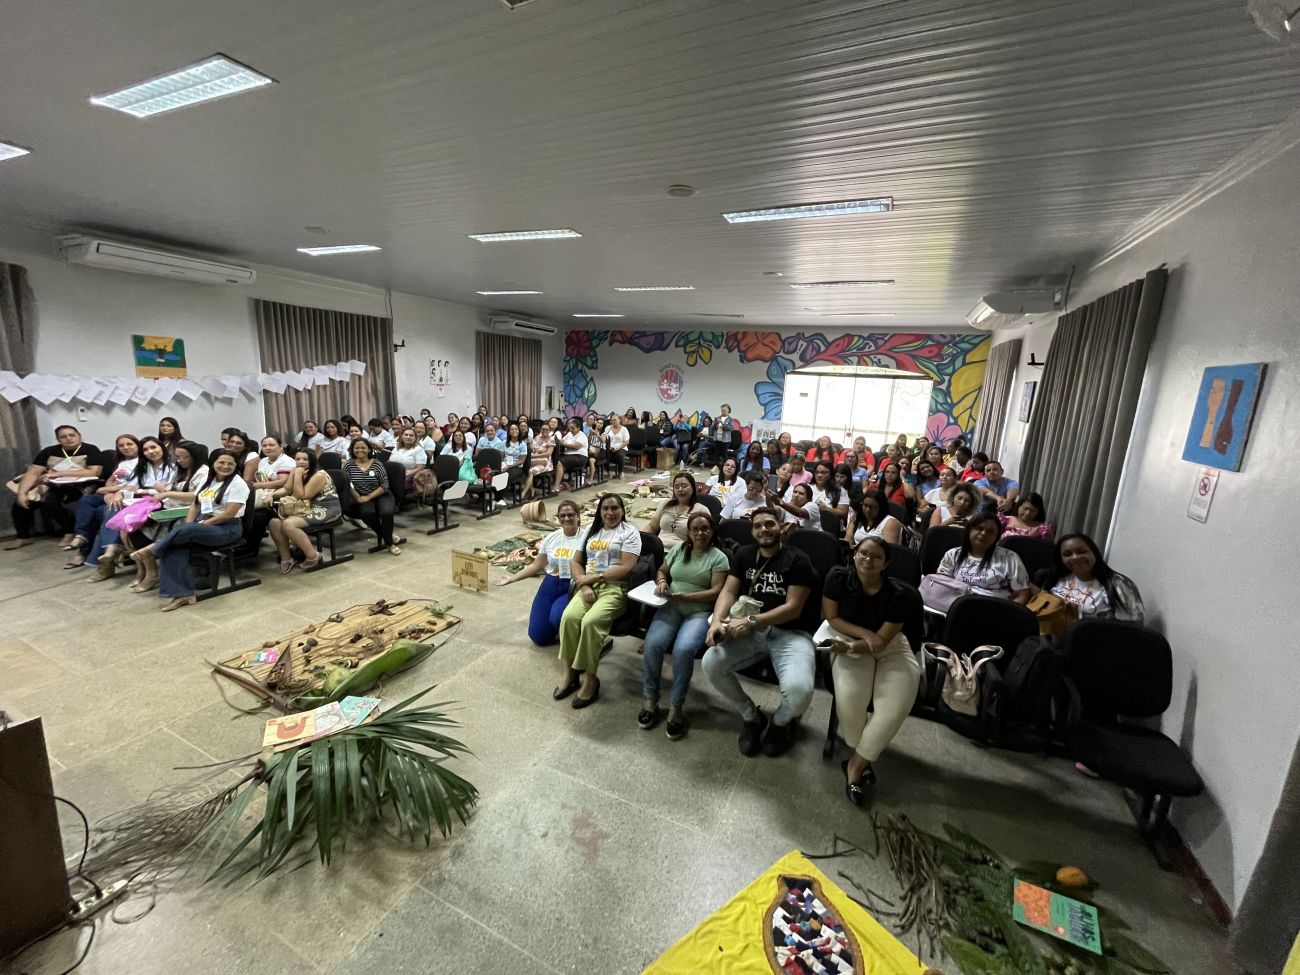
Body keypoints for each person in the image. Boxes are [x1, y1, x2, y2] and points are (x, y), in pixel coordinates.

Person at [702, 508, 817, 756]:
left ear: (781, 527)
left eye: (769, 524)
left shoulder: (798, 560)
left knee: (800, 692)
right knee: (711, 663)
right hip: (753, 632)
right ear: (752, 531)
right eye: (757, 526)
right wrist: (717, 621)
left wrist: (751, 621)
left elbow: (793, 608)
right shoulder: (744, 554)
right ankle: (752, 716)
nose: (763, 529)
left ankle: (780, 722)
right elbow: (729, 591)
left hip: (792, 633)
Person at [825, 537, 921, 805]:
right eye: (863, 553)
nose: (868, 559)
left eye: (876, 556)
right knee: (850, 704)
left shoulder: (899, 595)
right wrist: (862, 636)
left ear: (886, 563)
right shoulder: (837, 577)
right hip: (850, 641)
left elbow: (882, 641)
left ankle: (856, 766)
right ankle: (864, 753)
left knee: (894, 708)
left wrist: (860, 643)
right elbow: (833, 618)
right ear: (854, 554)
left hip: (892, 648)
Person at [640, 513, 729, 739]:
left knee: (683, 650)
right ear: (688, 532)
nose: (700, 533)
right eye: (695, 529)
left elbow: (717, 592)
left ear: (712, 531)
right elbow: (662, 570)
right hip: (672, 606)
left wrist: (688, 597)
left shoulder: (718, 558)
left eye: (705, 529)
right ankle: (650, 698)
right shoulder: (680, 549)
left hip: (700, 611)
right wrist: (662, 581)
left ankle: (676, 707)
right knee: (652, 644)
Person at [129, 449, 251, 612]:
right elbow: (195, 504)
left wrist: (201, 525)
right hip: (203, 523)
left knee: (186, 531)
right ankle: (183, 594)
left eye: (230, 464)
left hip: (227, 528)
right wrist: (189, 524)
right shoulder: (208, 480)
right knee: (173, 547)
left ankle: (153, 549)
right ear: (213, 463)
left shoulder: (238, 484)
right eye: (221, 462)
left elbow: (229, 514)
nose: (225, 466)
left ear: (236, 466)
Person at [555, 494, 642, 708]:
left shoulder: (630, 532)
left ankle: (591, 679)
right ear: (599, 512)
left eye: (614, 508)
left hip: (615, 588)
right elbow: (575, 562)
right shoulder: (590, 532)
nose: (610, 513)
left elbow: (627, 567)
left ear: (622, 510)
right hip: (588, 586)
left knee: (590, 622)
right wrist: (584, 585)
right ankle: (571, 674)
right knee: (568, 617)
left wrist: (594, 578)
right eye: (605, 509)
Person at [85, 436, 176, 584]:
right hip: (140, 500)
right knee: (113, 510)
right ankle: (116, 555)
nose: (150, 451)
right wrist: (119, 493)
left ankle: (110, 554)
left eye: (153, 447)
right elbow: (130, 486)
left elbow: (167, 490)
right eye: (146, 449)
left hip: (161, 502)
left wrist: (142, 491)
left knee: (119, 521)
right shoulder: (143, 465)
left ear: (162, 447)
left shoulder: (172, 465)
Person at [497, 499, 583, 645]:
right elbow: (537, 565)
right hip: (551, 582)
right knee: (539, 637)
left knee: (557, 616)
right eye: (562, 515)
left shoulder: (586, 537)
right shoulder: (552, 537)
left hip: (572, 584)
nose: (566, 518)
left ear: (578, 516)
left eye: (570, 515)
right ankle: (557, 627)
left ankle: (576, 632)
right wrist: (512, 579)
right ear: (558, 518)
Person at [6, 425, 103, 550]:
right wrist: (22, 493)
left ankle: (69, 531)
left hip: (80, 485)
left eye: (72, 435)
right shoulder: (49, 452)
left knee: (51, 500)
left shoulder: (90, 449)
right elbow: (33, 472)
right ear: (58, 439)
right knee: (20, 503)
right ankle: (23, 537)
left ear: (79, 436)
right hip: (54, 484)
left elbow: (93, 472)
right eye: (63, 437)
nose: (68, 438)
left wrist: (59, 473)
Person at [64, 434, 141, 566]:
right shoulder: (122, 463)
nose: (125, 447)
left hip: (127, 495)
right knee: (86, 501)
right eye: (121, 445)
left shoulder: (142, 462)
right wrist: (108, 491)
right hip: (113, 493)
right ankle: (81, 536)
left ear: (137, 445)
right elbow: (110, 480)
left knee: (102, 511)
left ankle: (101, 551)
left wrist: (111, 490)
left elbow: (135, 485)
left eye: (129, 444)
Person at [1038, 534, 1144, 623]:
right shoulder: (1057, 577)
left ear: (1094, 553)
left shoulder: (1118, 585)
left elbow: (1132, 630)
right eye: (1067, 554)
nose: (1075, 557)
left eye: (1081, 552)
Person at [267, 449, 343, 572]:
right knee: (274, 523)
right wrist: (272, 494)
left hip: (326, 508)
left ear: (312, 460)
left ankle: (312, 556)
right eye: (297, 459)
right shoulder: (296, 470)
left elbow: (302, 496)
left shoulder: (319, 475)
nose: (301, 462)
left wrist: (297, 475)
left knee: (288, 524)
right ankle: (287, 558)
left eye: (305, 459)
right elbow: (287, 489)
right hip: (305, 506)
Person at [936, 512, 1031, 603]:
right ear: (969, 530)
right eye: (979, 528)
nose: (984, 533)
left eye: (990, 532)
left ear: (997, 537)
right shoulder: (953, 554)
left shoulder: (1009, 558)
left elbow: (1022, 594)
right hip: (954, 606)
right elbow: (941, 585)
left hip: (994, 608)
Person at [344, 438, 403, 555]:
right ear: (352, 450)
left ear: (369, 449)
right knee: (367, 514)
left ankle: (390, 544)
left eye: (363, 447)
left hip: (382, 494)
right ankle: (387, 534)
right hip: (361, 495)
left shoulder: (377, 463)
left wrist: (368, 497)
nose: (360, 450)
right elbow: (347, 484)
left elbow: (384, 485)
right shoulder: (348, 465)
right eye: (357, 448)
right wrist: (357, 497)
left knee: (386, 513)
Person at [648, 471, 709, 548]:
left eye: (684, 486)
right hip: (658, 548)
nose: (680, 489)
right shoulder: (665, 504)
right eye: (676, 487)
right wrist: (639, 539)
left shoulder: (701, 510)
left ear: (693, 488)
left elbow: (706, 538)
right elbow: (652, 527)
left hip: (683, 551)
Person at [522, 423, 555, 500]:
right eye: (543, 429)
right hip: (534, 460)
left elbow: (548, 454)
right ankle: (531, 490)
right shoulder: (536, 438)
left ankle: (526, 493)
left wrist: (534, 456)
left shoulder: (551, 439)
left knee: (530, 471)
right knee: (526, 470)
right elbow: (532, 449)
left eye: (547, 429)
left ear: (550, 430)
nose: (545, 431)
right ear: (540, 429)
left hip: (545, 462)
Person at [558, 418, 589, 489]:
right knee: (555, 460)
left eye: (573, 428)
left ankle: (558, 484)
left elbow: (576, 446)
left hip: (579, 457)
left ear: (578, 428)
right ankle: (561, 482)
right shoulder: (569, 434)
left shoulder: (582, 435)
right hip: (567, 455)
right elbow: (562, 440)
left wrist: (564, 444)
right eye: (570, 428)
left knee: (559, 462)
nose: (571, 430)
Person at [605, 413, 629, 478]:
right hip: (610, 447)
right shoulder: (608, 428)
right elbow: (605, 437)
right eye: (612, 420)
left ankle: (621, 472)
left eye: (615, 420)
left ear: (619, 420)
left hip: (621, 447)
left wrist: (618, 447)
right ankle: (608, 471)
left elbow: (626, 442)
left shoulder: (624, 429)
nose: (613, 421)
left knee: (620, 455)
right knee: (603, 454)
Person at [586, 416, 608, 483]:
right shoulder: (591, 431)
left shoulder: (604, 433)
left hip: (600, 451)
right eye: (598, 423)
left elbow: (602, 440)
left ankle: (591, 479)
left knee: (591, 460)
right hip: (591, 450)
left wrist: (597, 434)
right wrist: (590, 435)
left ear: (603, 425)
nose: (599, 424)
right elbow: (588, 441)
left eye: (601, 423)